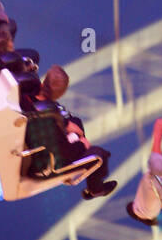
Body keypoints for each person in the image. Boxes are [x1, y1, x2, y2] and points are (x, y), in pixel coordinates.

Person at [24, 65, 116, 199]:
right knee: (99, 155)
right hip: (45, 163)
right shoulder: (48, 119)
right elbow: (65, 152)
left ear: (44, 82)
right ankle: (95, 190)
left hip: (40, 137)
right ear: (60, 94)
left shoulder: (26, 96)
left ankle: (76, 135)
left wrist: (66, 123)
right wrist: (82, 144)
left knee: (75, 123)